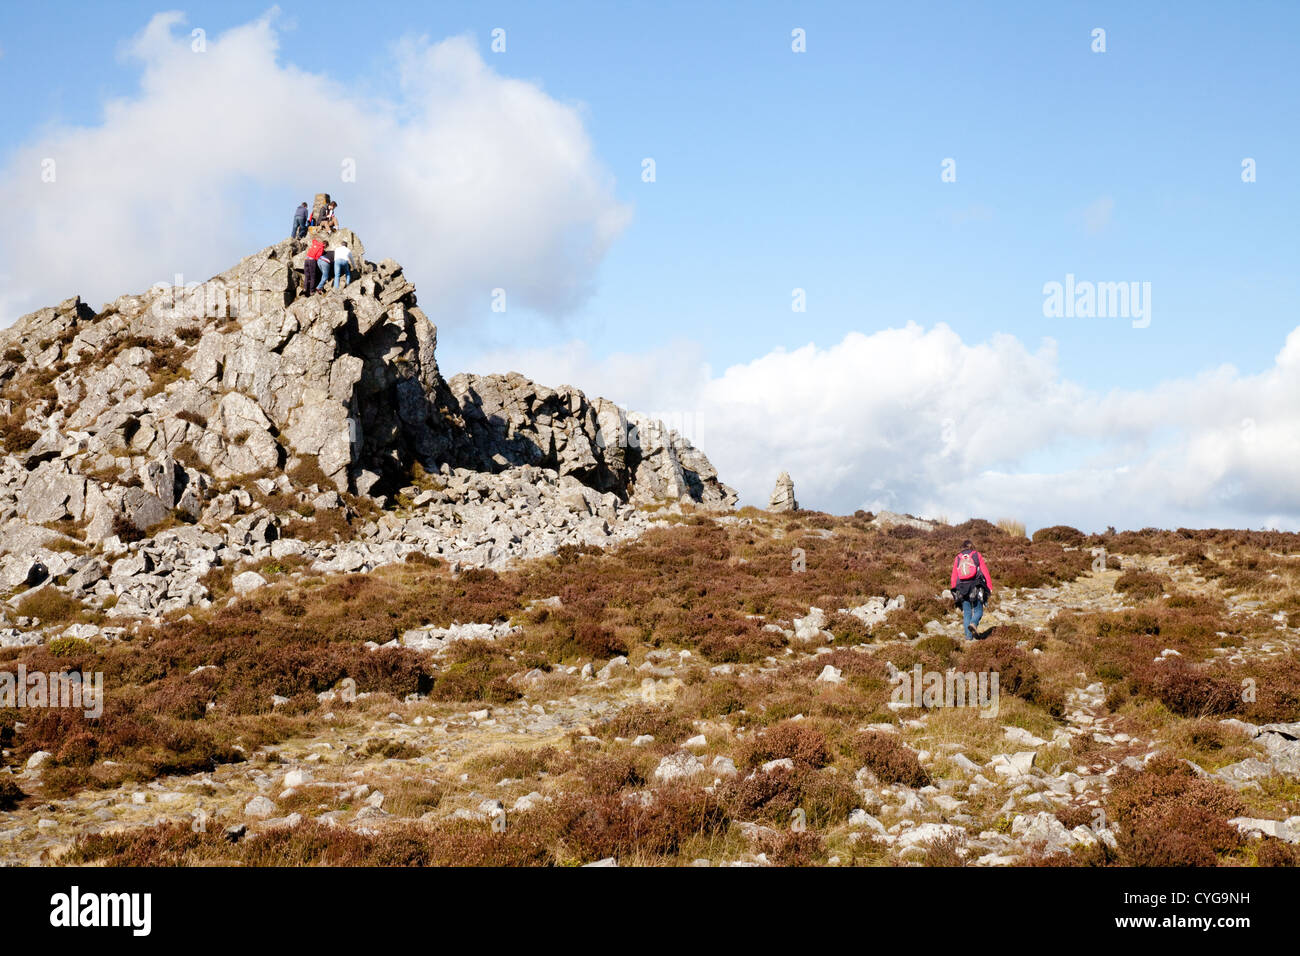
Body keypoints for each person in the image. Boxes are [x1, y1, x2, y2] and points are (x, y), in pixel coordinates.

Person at [950, 539, 993, 640]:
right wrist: (989, 586)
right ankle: (973, 624)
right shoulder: (976, 555)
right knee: (979, 610)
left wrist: (954, 589)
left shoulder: (958, 557)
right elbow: (985, 571)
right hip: (975, 586)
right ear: (972, 546)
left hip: (962, 588)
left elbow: (954, 575)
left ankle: (968, 638)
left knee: (967, 612)